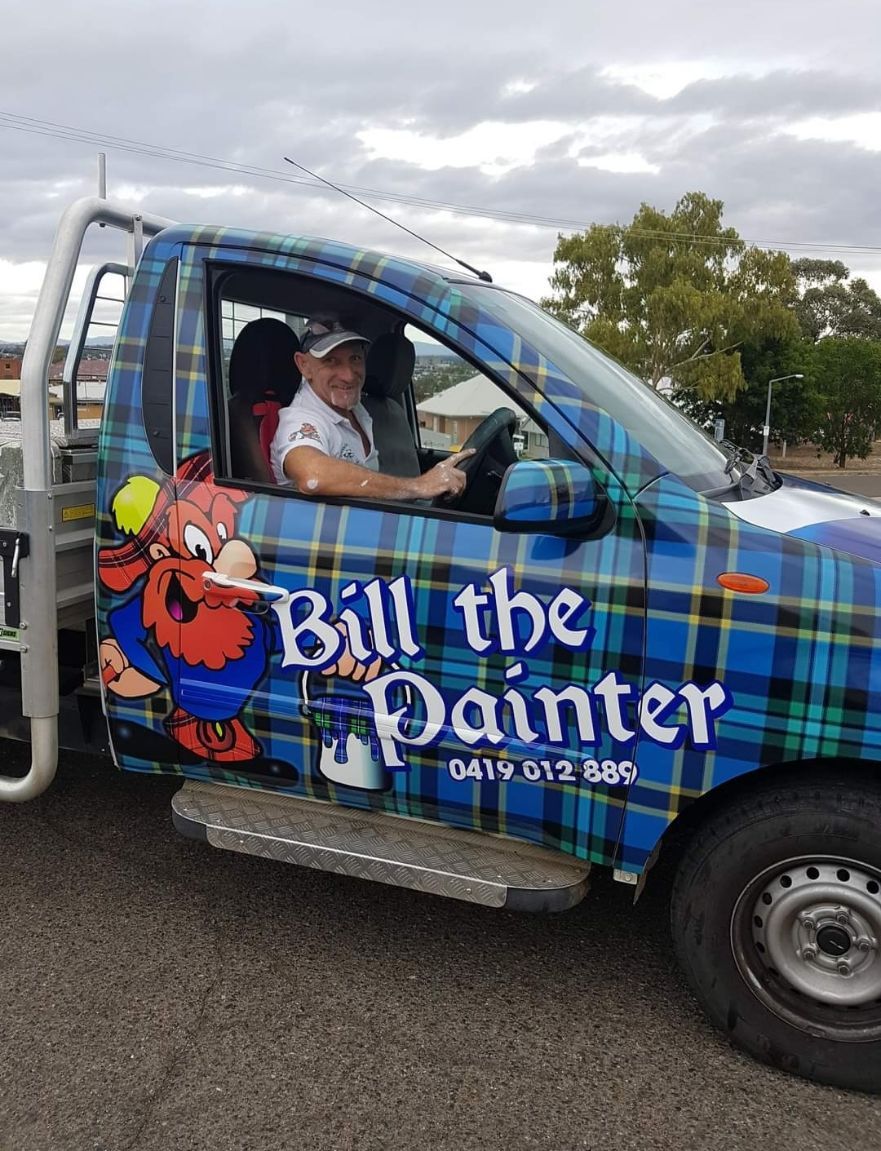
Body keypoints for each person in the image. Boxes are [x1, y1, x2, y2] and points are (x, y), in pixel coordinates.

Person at [270, 315, 472, 500]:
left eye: (355, 359)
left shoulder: (356, 409)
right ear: (304, 365)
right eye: (331, 361)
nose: (348, 375)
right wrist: (419, 486)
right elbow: (313, 475)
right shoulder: (301, 419)